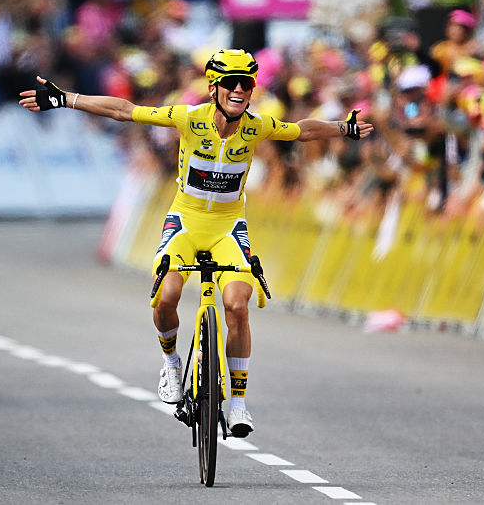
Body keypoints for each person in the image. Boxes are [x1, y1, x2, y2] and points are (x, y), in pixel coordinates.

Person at [19, 48, 374, 437]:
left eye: (247, 83)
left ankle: (237, 404)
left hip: (228, 227)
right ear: (214, 88)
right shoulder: (188, 118)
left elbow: (302, 130)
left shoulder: (256, 126)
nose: (240, 90)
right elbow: (126, 110)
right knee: (167, 295)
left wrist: (345, 128)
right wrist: (66, 98)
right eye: (232, 83)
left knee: (237, 305)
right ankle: (171, 363)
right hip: (185, 222)